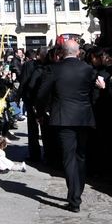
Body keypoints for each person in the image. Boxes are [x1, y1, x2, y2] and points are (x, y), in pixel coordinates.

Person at [36, 37, 99, 212]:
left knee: (69, 157)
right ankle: (78, 191)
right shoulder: (88, 69)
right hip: (84, 117)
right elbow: (93, 93)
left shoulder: (54, 69)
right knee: (81, 156)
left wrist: (40, 112)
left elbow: (42, 94)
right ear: (78, 52)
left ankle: (74, 197)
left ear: (62, 53)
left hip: (63, 117)